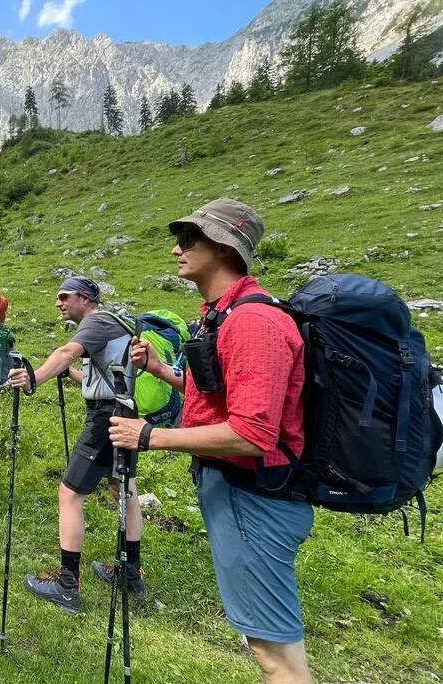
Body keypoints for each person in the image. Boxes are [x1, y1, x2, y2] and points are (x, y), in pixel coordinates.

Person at [109, 198, 312, 683]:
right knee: (264, 643)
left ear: (223, 248)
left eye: (189, 240)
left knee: (273, 654)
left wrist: (150, 435)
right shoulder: (221, 315)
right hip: (236, 491)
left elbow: (253, 433)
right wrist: (162, 372)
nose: (178, 250)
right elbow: (224, 397)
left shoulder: (253, 323)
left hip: (256, 499)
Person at [6, 276, 147, 616]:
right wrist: (67, 375)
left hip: (103, 420)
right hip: (124, 412)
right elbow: (104, 377)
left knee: (69, 494)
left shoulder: (95, 323)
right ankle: (131, 574)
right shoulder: (116, 323)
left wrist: (34, 377)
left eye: (64, 296)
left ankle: (67, 586)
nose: (59, 303)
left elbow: (67, 350)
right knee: (123, 489)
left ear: (85, 299)